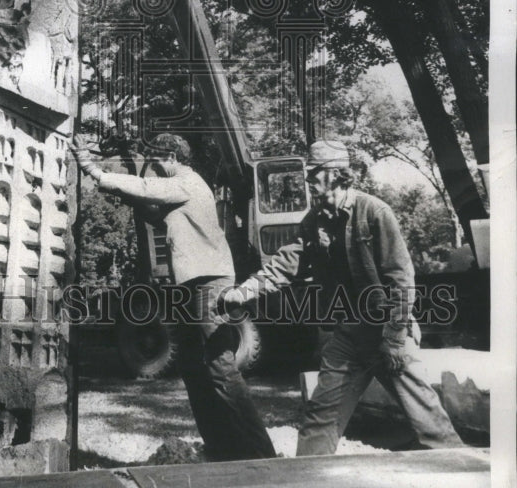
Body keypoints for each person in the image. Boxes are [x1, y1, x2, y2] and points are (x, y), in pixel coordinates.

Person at [221, 138, 463, 456]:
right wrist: (243, 292)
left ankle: (463, 470)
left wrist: (392, 339)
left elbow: (401, 281)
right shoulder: (313, 221)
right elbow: (283, 266)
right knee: (320, 415)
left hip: (387, 330)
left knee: (428, 420)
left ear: (337, 174)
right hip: (347, 335)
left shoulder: (375, 212)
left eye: (314, 172)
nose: (308, 180)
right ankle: (309, 481)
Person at [72, 132, 276, 461]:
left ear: (171, 158)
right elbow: (151, 209)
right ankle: (222, 448)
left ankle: (261, 453)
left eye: (154, 162)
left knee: (220, 367)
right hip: (192, 283)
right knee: (192, 366)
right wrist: (118, 189)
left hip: (208, 282)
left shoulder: (187, 182)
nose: (151, 170)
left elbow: (148, 191)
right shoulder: (184, 189)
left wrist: (91, 168)